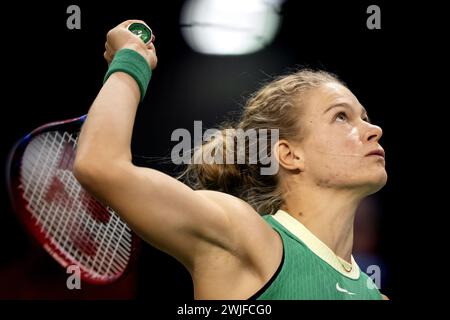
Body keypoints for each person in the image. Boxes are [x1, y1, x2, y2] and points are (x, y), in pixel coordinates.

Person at [74, 20, 389, 300]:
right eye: (341, 117)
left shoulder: (374, 295)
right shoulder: (243, 236)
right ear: (289, 155)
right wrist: (132, 60)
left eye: (365, 117)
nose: (373, 129)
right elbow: (100, 165)